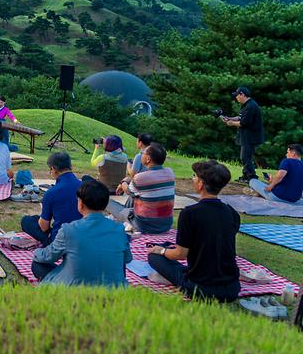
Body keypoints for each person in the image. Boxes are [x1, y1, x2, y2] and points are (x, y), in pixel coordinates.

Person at [147, 160, 241, 302]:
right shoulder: (232, 213)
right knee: (170, 250)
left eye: (194, 176)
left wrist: (161, 251)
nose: (193, 179)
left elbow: (180, 254)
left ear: (201, 184)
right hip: (232, 288)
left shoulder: (190, 213)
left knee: (154, 257)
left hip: (201, 288)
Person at [31, 180, 132, 286]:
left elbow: (48, 256)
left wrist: (37, 252)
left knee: (37, 264)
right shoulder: (119, 230)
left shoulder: (68, 230)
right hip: (112, 290)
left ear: (81, 204)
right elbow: (127, 259)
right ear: (105, 204)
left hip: (76, 289)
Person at [109, 143, 175, 234]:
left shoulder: (140, 178)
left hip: (144, 225)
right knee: (135, 196)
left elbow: (128, 191)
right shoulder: (170, 172)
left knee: (108, 203)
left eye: (143, 152)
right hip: (166, 225)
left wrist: (123, 182)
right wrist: (128, 180)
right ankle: (121, 218)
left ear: (148, 159)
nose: (141, 154)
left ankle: (120, 219)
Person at [21, 151, 82, 246]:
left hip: (60, 242)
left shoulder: (51, 193)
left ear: (53, 169)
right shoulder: (85, 187)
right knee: (35, 218)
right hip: (83, 238)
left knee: (26, 221)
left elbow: (44, 227)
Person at [220, 86, 264, 183]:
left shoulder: (251, 106)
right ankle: (246, 176)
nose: (236, 98)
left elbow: (243, 123)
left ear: (242, 94)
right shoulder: (246, 105)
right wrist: (230, 118)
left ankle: (251, 177)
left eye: (237, 95)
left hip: (251, 137)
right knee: (244, 157)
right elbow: (240, 117)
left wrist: (231, 123)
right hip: (247, 136)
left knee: (245, 157)